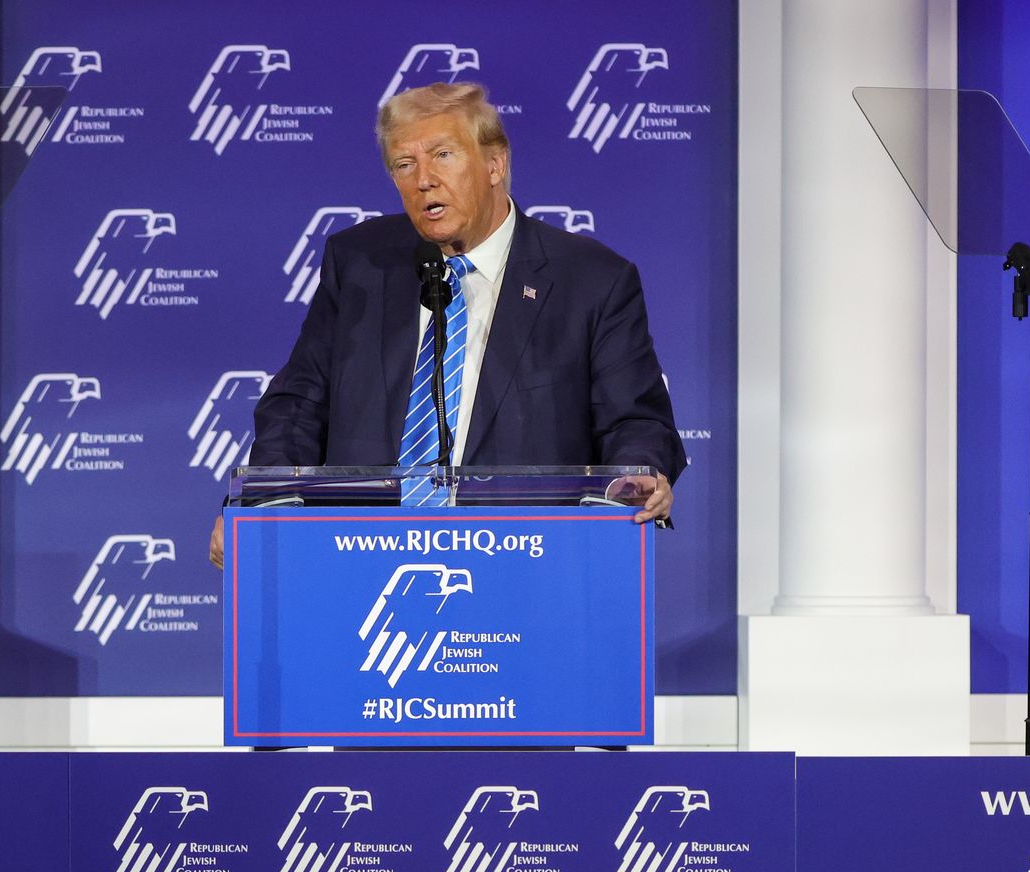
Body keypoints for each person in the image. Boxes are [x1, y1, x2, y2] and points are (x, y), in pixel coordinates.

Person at [210, 82, 683, 567]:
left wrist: (635, 475)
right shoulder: (361, 262)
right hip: (360, 559)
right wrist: (259, 501)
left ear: (495, 164)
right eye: (404, 164)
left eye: (442, 154)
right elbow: (298, 404)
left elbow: (635, 419)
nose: (424, 180)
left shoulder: (591, 280)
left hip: (528, 563)